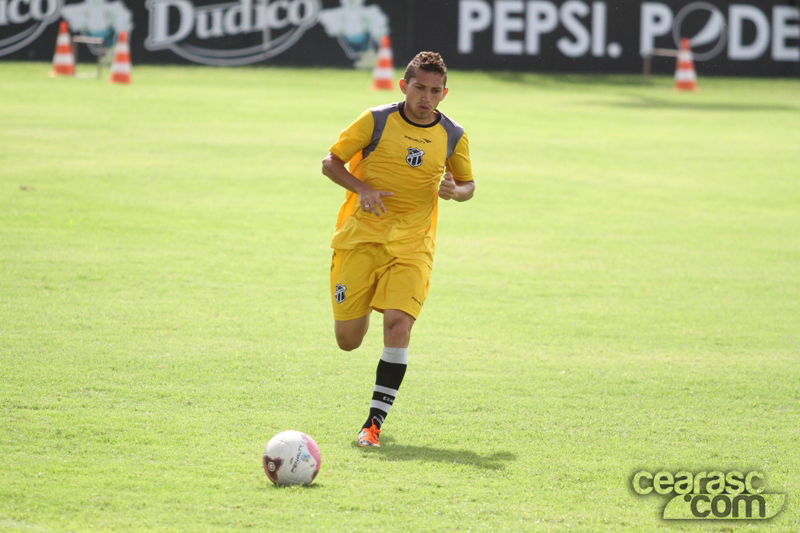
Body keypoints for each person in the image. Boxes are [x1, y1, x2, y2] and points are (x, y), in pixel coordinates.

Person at [321, 51, 475, 447]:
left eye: (434, 91)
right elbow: (330, 162)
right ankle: (367, 298)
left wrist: (455, 191)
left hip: (413, 245)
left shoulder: (453, 135)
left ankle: (372, 425)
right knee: (348, 340)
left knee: (399, 326)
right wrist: (362, 188)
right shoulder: (375, 120)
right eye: (419, 88)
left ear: (444, 93)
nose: (426, 97)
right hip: (360, 240)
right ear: (404, 86)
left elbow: (469, 185)